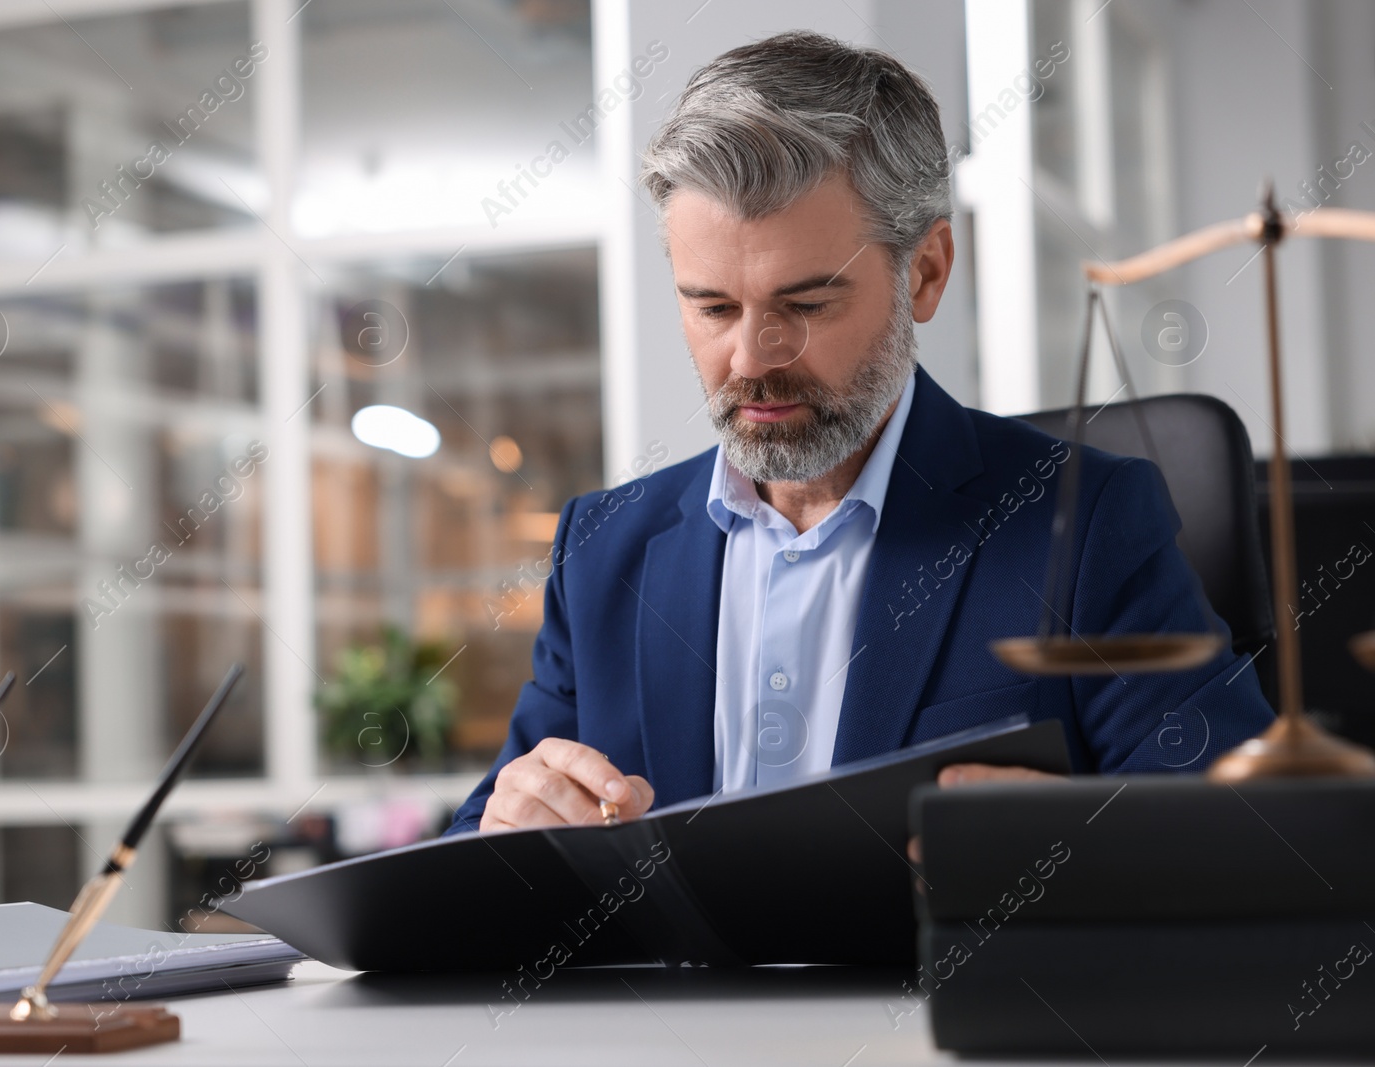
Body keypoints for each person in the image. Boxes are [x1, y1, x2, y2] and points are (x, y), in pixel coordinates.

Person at [445, 31, 1275, 836]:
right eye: (713, 307)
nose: (751, 357)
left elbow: (1245, 838)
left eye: (806, 305)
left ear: (926, 271)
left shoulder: (1087, 524)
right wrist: (503, 836)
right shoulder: (601, 551)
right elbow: (476, 862)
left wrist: (1070, 854)